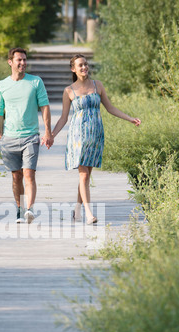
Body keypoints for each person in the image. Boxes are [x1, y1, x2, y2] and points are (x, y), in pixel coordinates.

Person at [49, 54, 141, 224]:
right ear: (73, 69)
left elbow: (110, 108)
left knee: (86, 175)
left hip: (96, 135)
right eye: (80, 65)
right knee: (83, 176)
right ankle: (89, 214)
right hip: (78, 137)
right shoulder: (69, 91)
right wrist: (51, 135)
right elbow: (63, 118)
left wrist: (130, 118)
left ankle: (76, 212)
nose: (84, 68)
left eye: (85, 64)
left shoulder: (97, 85)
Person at [0, 47, 54, 224]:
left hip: (30, 136)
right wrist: (0, 134)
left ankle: (29, 209)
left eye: (25, 60)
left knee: (29, 174)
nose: (23, 63)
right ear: (10, 62)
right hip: (10, 137)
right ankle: (19, 209)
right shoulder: (2, 85)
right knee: (16, 176)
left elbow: (45, 107)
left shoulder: (35, 82)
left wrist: (48, 132)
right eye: (19, 60)